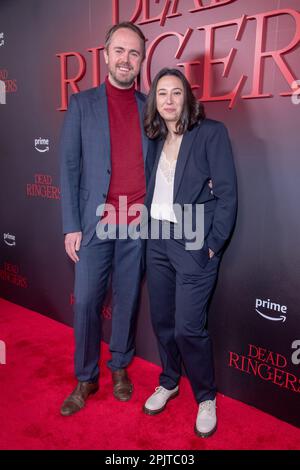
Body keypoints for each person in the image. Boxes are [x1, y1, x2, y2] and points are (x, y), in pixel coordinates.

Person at [142, 68, 237, 437]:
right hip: (157, 240)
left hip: (195, 240)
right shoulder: (154, 139)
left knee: (187, 327)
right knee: (162, 321)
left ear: (187, 98)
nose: (168, 100)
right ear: (155, 102)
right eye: (161, 93)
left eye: (176, 92)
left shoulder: (210, 134)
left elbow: (227, 194)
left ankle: (205, 397)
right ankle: (169, 380)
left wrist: (213, 244)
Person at [59, 22, 148, 416]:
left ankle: (119, 367)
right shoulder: (82, 104)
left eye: (134, 53)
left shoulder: (151, 107)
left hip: (137, 222)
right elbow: (69, 166)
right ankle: (85, 376)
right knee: (87, 303)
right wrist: (71, 225)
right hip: (95, 222)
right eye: (120, 51)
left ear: (141, 60)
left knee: (127, 299)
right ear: (106, 54)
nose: (125, 59)